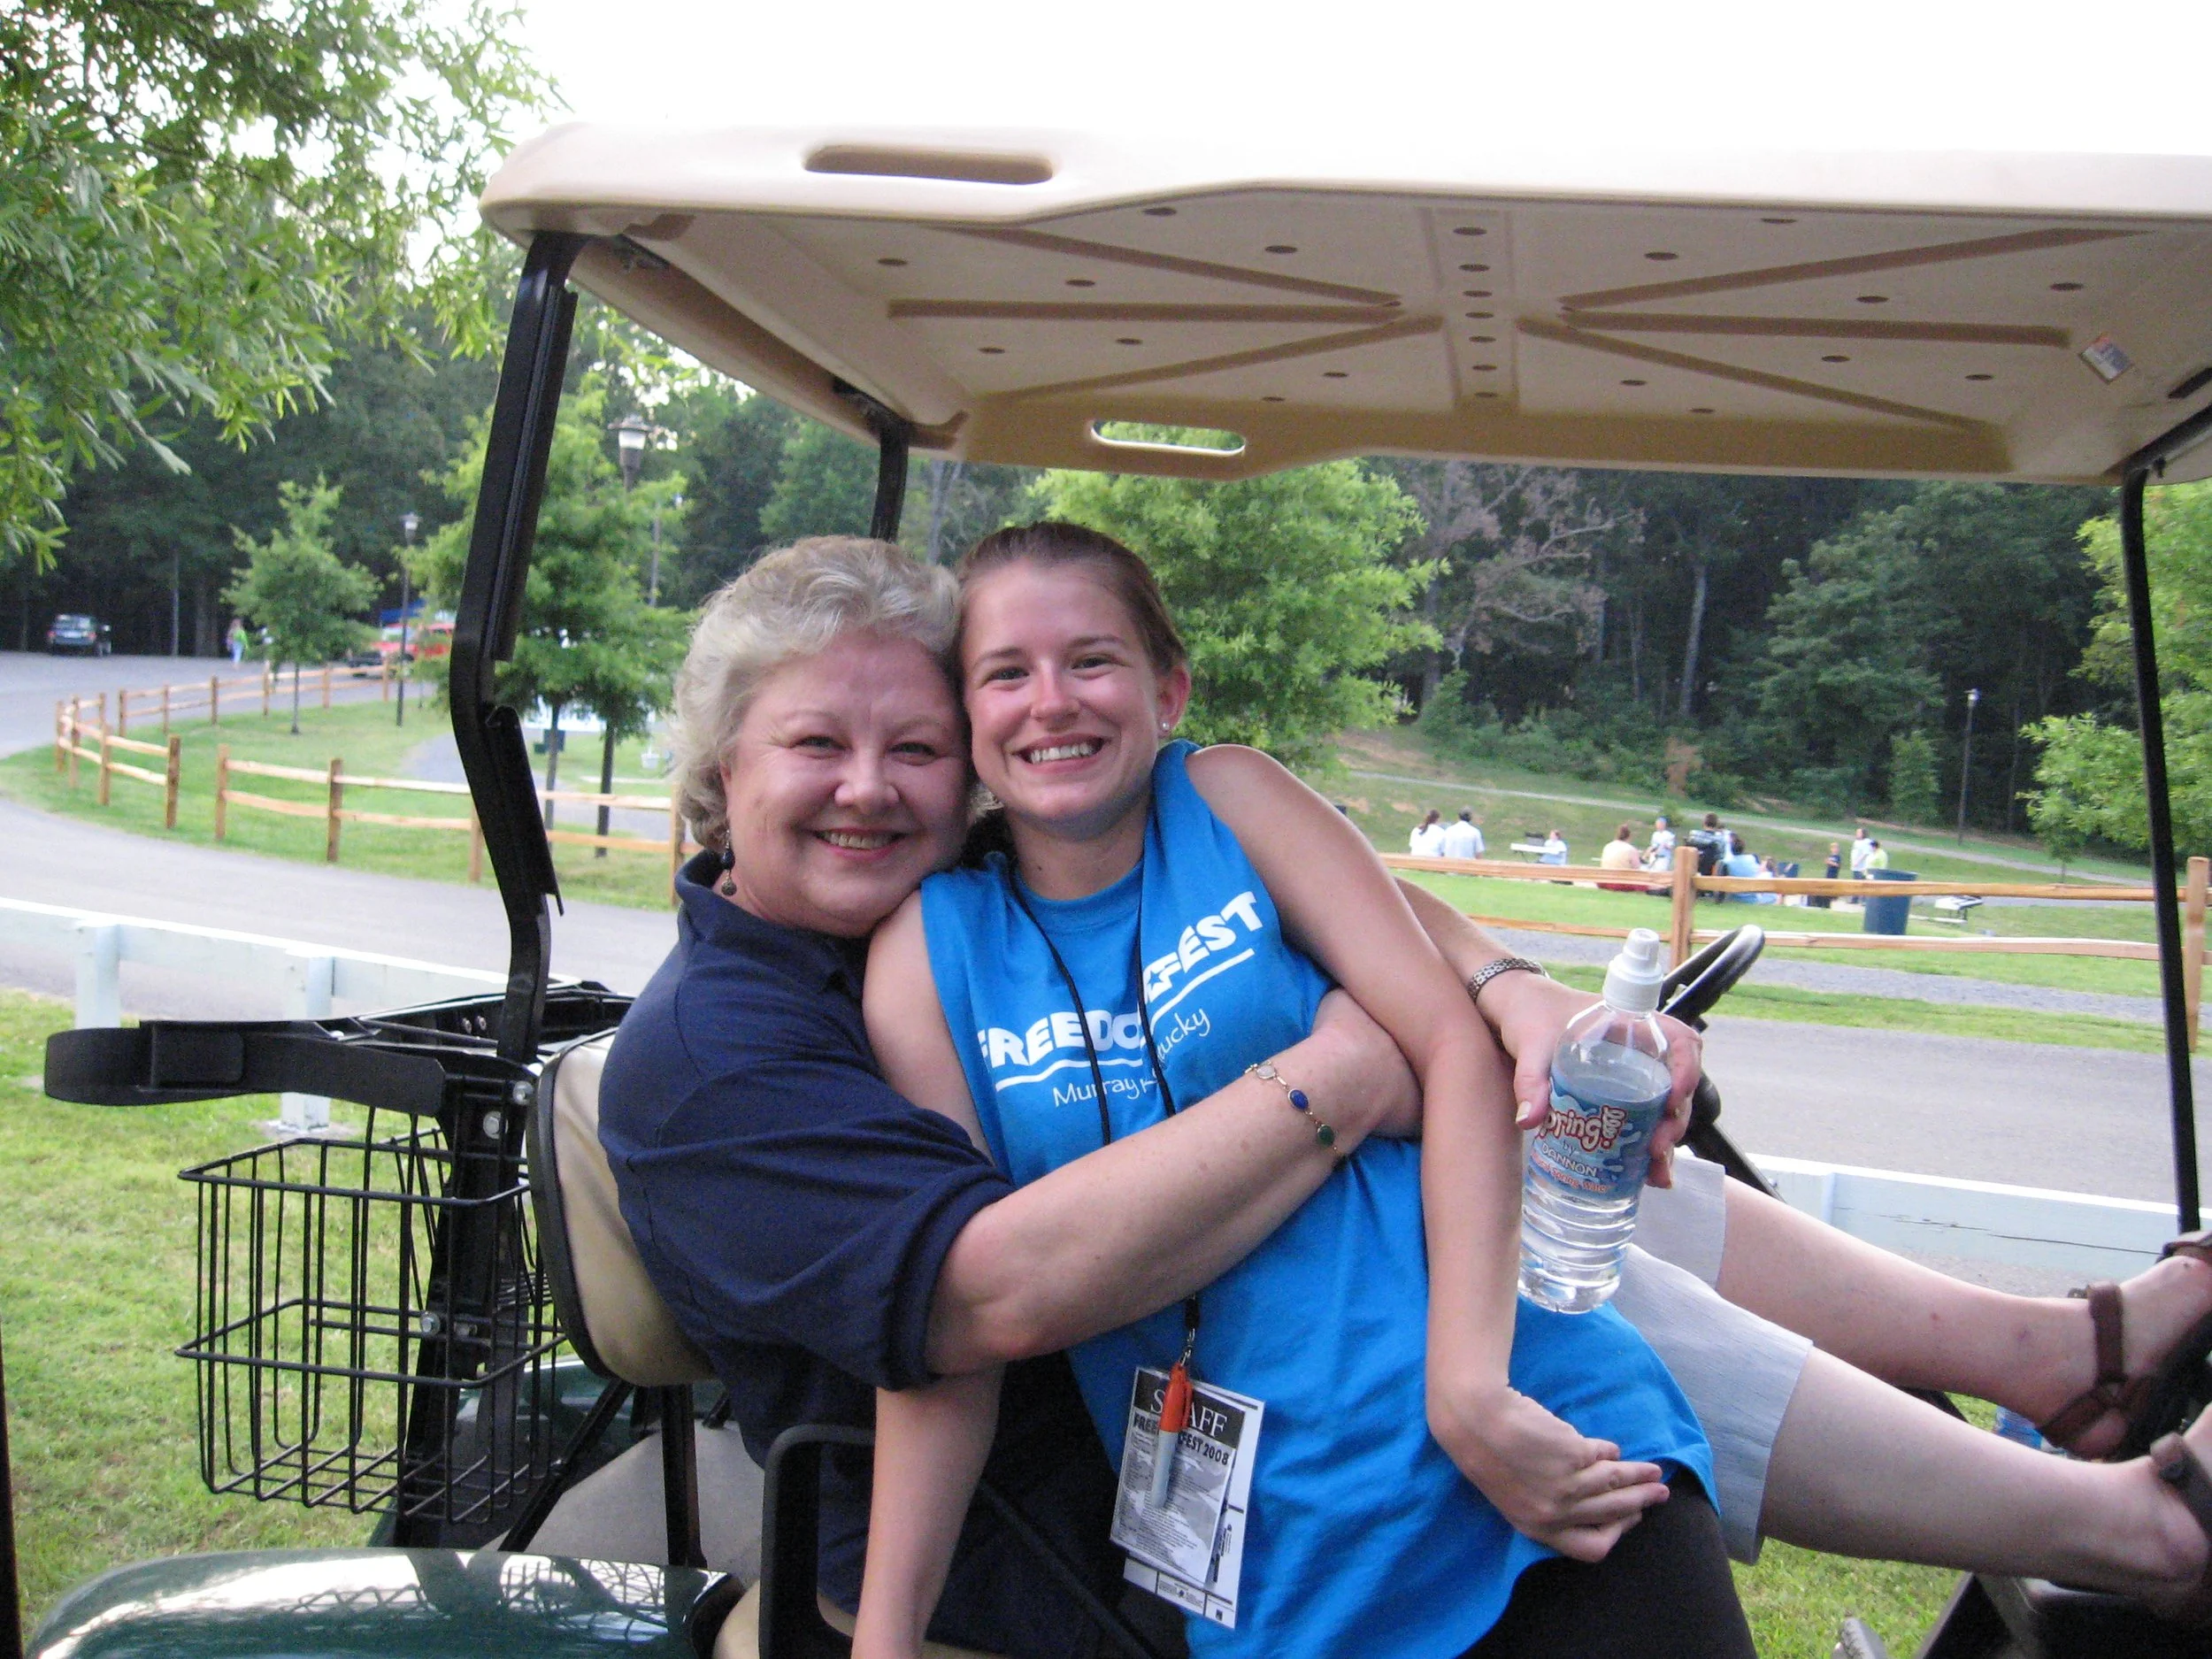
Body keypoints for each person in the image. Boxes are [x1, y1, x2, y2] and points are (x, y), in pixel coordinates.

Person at [600, 535, 2212, 1658]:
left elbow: (1262, 880)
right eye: (816, 746)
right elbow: (978, 1305)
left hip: (1274, 1380)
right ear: (719, 773)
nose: (873, 788)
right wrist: (1345, 1070)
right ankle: (2103, 1467)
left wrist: (1499, 998)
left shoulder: (926, 888)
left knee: (1541, 1190)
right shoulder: (740, 1048)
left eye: (918, 747)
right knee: (1523, 1257)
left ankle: (2064, 1380)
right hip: (1087, 1521)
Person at [859, 522, 1744, 1658]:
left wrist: (1467, 1393)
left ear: (1166, 688)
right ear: (965, 720)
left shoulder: (1227, 799)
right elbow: (953, 1316)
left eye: (1091, 660)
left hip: (1532, 1459)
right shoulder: (931, 953)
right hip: (1279, 1559)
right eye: (1004, 672)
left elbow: (1451, 1050)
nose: (1051, 702)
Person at [1599, 823, 1645, 892]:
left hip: (1604, 881)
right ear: (1629, 837)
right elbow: (1637, 870)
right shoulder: (1631, 849)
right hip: (1622, 883)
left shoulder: (1608, 846)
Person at [1686, 812, 1727, 882]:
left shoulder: (1693, 835)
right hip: (1708, 873)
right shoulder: (1720, 840)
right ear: (1716, 825)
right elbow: (1720, 857)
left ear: (1704, 823)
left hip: (1690, 869)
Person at [1812, 841, 1841, 910]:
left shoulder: (1838, 857)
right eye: (1833, 848)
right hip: (1828, 875)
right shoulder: (1830, 856)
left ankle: (1829, 901)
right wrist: (1827, 862)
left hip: (1833, 875)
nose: (1834, 849)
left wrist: (1830, 862)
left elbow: (1837, 865)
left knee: (1830, 890)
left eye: (1836, 848)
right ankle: (1823, 903)